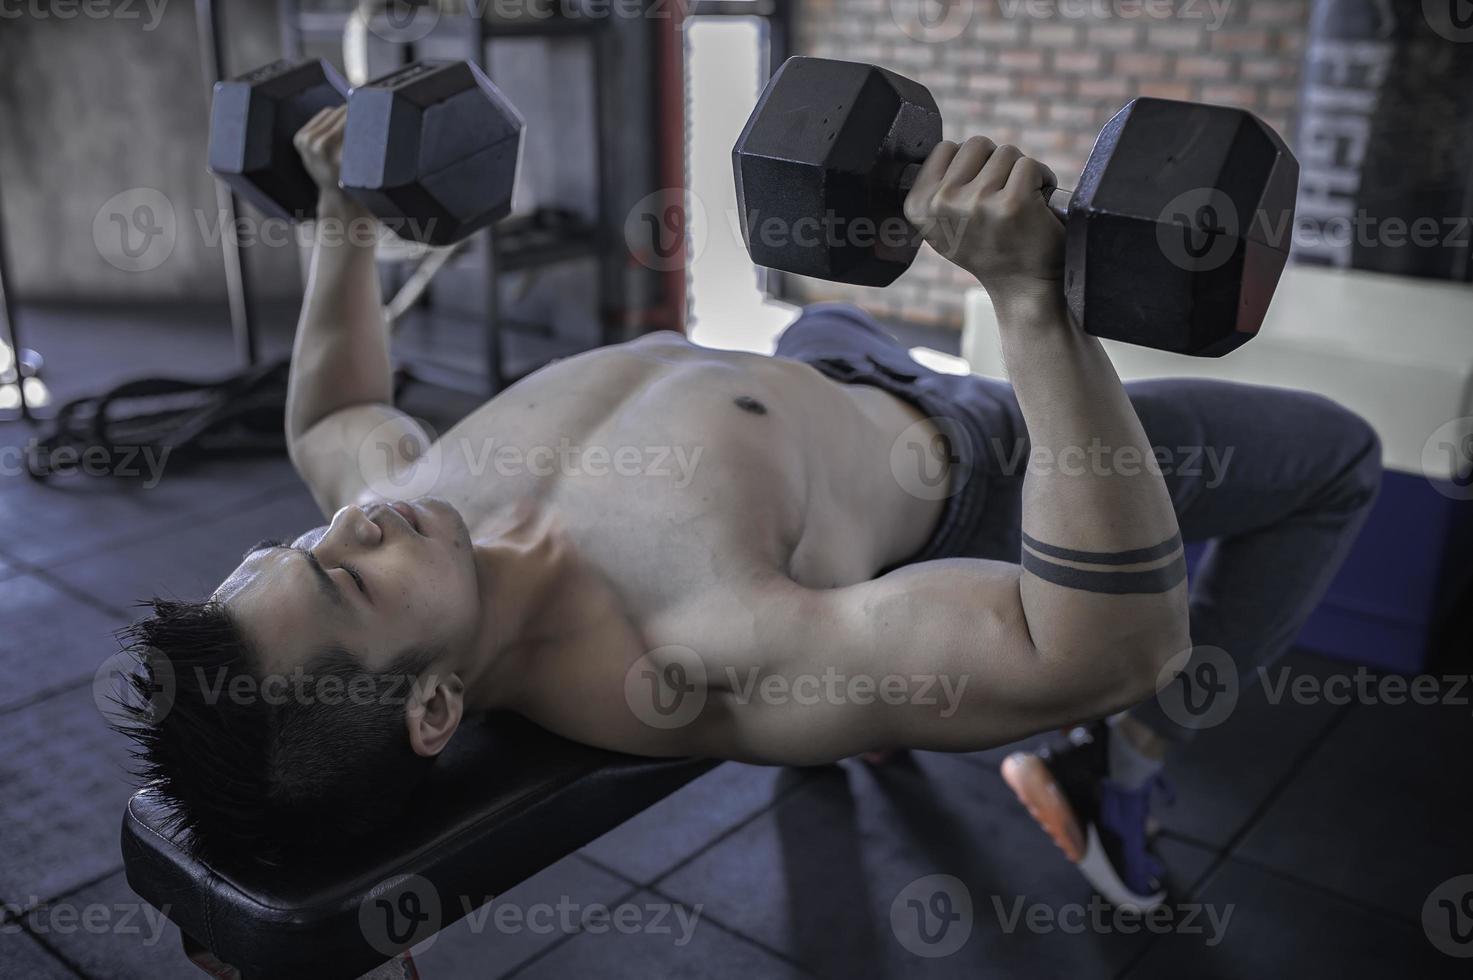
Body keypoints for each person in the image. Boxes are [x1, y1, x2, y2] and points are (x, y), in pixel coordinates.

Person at [116, 107, 1380, 911]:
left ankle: (905, 684)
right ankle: (1128, 767)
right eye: (342, 577)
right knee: (1338, 460)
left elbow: (329, 422)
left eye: (297, 540)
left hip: (821, 352)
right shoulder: (691, 651)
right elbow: (1103, 647)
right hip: (973, 461)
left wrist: (342, 215)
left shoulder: (402, 516)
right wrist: (1034, 306)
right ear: (434, 704)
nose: (349, 526)